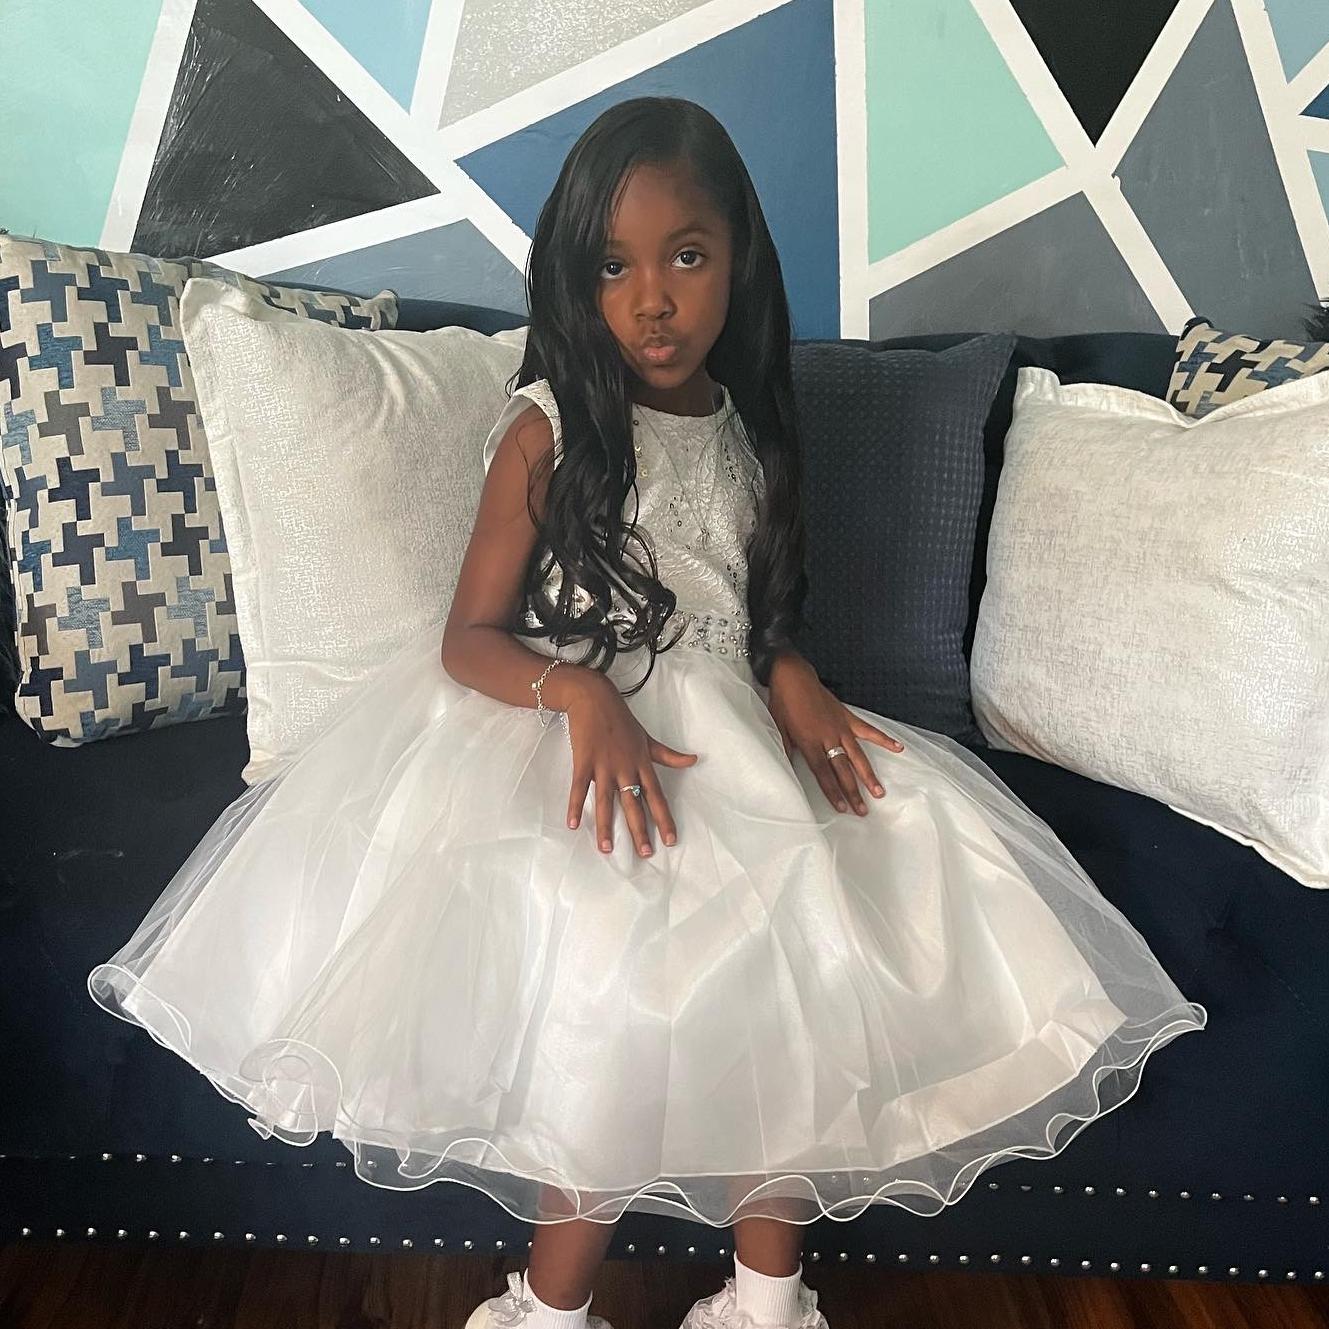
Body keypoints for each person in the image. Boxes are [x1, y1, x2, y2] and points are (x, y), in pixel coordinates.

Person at [87, 96, 1207, 1329]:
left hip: (730, 744)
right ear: (577, 280)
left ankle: (769, 1299)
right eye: (614, 267)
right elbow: (469, 637)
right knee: (608, 986)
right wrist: (576, 691)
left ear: (739, 259)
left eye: (687, 256)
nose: (654, 301)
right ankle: (554, 1306)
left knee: (801, 965)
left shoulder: (753, 435)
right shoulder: (549, 430)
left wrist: (788, 671)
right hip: (574, 749)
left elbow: (748, 612)